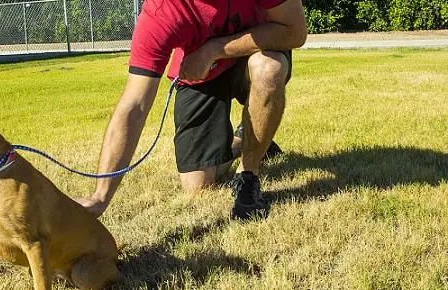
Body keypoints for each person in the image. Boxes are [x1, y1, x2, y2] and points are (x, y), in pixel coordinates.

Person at [75, 0, 307, 220]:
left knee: (269, 68)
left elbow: (295, 31)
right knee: (197, 184)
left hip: (254, 54)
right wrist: (100, 196)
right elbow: (134, 105)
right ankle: (244, 140)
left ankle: (248, 174)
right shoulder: (161, 11)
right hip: (200, 73)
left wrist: (214, 49)